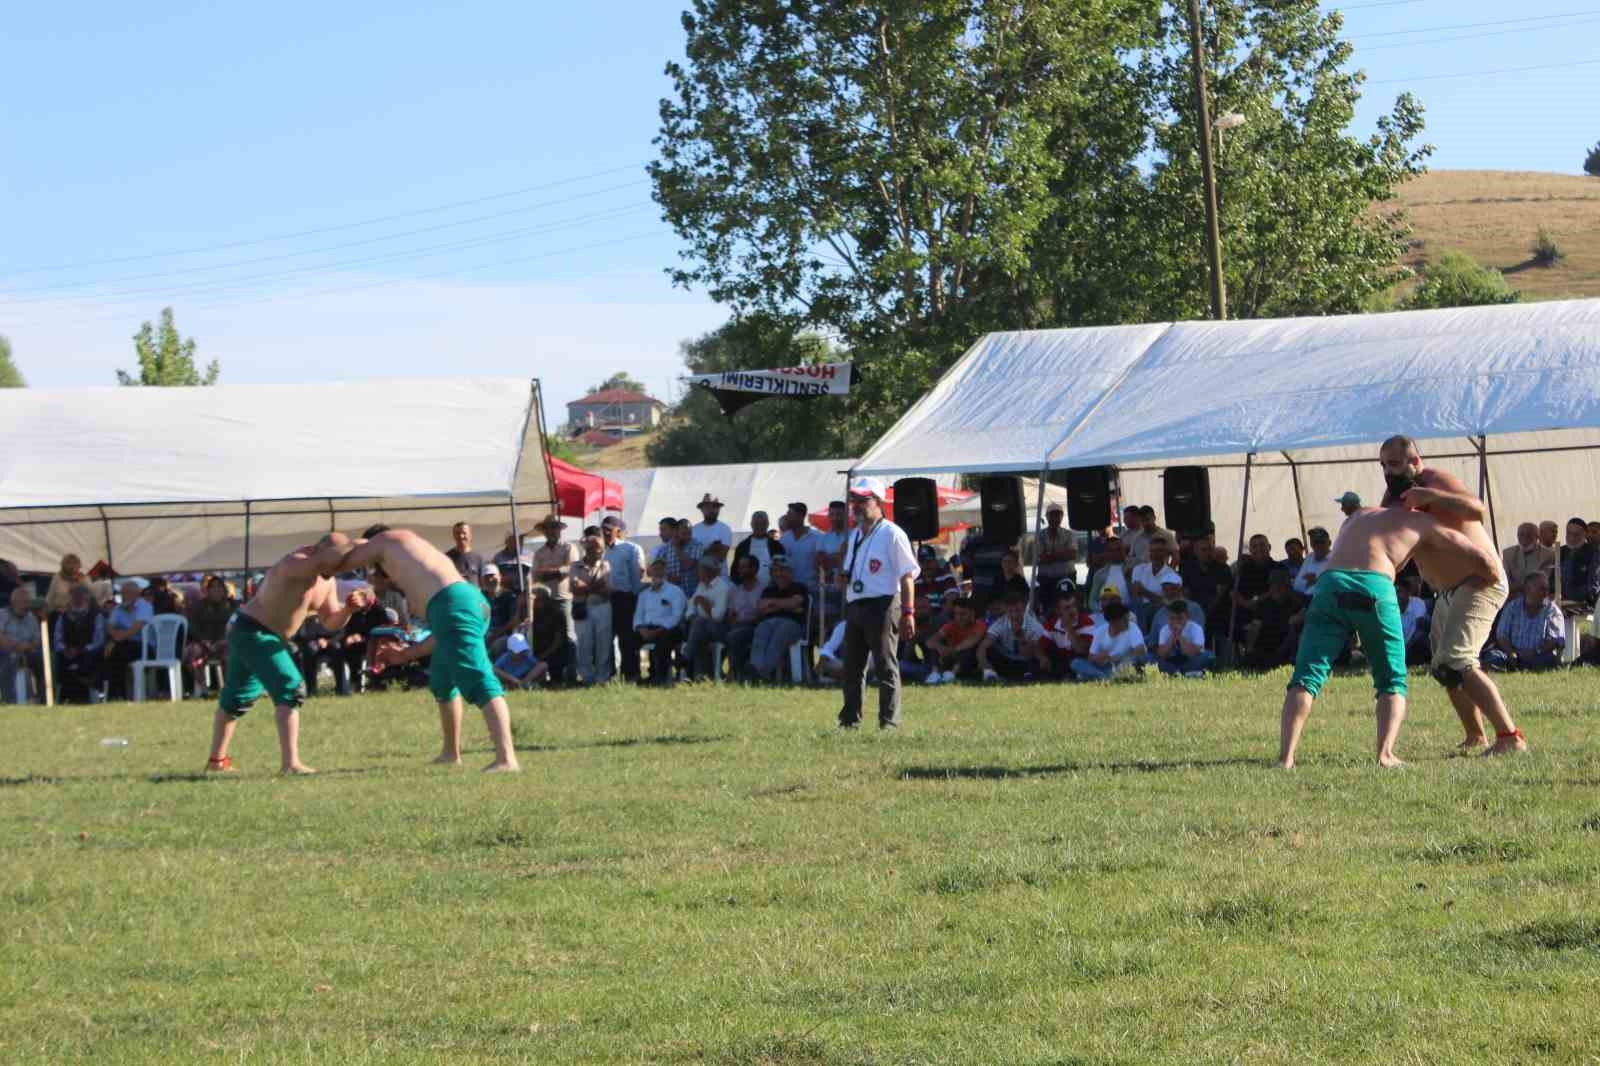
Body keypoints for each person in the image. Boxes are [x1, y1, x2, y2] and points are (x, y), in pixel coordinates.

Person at [1276, 501, 1501, 769]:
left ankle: (1285, 758)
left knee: (1306, 675)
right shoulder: (1421, 521)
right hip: (1374, 585)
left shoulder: (1359, 515)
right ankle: (1385, 755)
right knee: (1391, 677)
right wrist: (1493, 573)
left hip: (1330, 585)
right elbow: (1469, 550)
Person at [1380, 435, 1526, 755]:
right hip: (1446, 591)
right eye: (1383, 466)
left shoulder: (1435, 480)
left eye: (1393, 464)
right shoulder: (1392, 499)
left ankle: (1510, 737)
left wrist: (1431, 495)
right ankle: (1476, 735)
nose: (1388, 472)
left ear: (1415, 463)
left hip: (1480, 582)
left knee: (1457, 660)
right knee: (1443, 668)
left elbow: (1477, 510)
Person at [342, 526, 520, 772]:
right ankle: (450, 754)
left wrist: (317, 558)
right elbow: (441, 635)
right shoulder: (411, 552)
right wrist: (404, 655)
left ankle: (506, 759)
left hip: (454, 605)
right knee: (442, 679)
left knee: (479, 680)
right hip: (463, 604)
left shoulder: (386, 539)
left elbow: (343, 559)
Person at [205, 534, 360, 775]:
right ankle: (291, 764)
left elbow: (330, 622)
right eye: (338, 561)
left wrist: (349, 609)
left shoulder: (328, 580)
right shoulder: (294, 561)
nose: (340, 567)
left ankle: (216, 763)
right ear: (317, 551)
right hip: (251, 630)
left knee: (238, 697)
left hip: (264, 635)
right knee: (289, 685)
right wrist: (343, 552)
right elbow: (310, 565)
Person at [835, 477, 919, 729]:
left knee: (884, 665)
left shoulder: (892, 533)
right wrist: (843, 577)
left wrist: (908, 612)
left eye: (863, 500)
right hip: (856, 604)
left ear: (879, 502)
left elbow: (907, 576)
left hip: (883, 604)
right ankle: (849, 721)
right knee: (852, 667)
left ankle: (889, 722)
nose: (857, 506)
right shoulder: (855, 536)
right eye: (854, 501)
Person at [1484, 572, 1564, 672]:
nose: (1545, 593)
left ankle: (1517, 668)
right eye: (1541, 589)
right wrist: (1511, 652)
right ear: (1527, 590)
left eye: (1547, 589)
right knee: (1493, 656)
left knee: (1547, 660)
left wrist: (1535, 652)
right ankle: (1508, 666)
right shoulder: (1512, 607)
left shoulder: (1552, 611)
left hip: (1538, 655)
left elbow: (1555, 640)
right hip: (1512, 653)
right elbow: (1502, 635)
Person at [530, 515, 577, 673]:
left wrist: (550, 572)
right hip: (545, 601)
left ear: (559, 530)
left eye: (554, 527)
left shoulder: (569, 548)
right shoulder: (539, 552)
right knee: (550, 637)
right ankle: (554, 673)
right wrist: (558, 570)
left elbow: (570, 569)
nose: (551, 531)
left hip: (564, 598)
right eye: (548, 528)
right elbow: (536, 575)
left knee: (569, 636)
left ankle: (571, 673)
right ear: (544, 531)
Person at [749, 558, 809, 682]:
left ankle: (761, 673)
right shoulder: (768, 590)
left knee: (778, 637)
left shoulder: (799, 587)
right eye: (775, 571)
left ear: (790, 572)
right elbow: (761, 607)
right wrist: (786, 605)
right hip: (769, 622)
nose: (778, 574)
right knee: (761, 631)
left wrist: (773, 604)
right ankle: (755, 669)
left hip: (792, 624)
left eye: (782, 570)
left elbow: (795, 602)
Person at [602, 516, 646, 683]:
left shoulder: (631, 548)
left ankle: (631, 675)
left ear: (618, 531)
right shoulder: (601, 551)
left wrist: (633, 598)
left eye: (609, 529)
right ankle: (610, 674)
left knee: (627, 639)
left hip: (626, 598)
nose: (605, 532)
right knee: (607, 638)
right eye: (603, 529)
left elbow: (636, 577)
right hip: (606, 599)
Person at [633, 558, 687, 685]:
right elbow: (638, 616)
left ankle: (661, 677)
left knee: (663, 639)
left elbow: (676, 616)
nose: (657, 572)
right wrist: (641, 630)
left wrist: (659, 630)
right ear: (649, 571)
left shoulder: (675, 591)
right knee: (628, 639)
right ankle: (634, 676)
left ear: (666, 571)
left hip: (669, 629)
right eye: (654, 568)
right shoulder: (643, 594)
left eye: (661, 569)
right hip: (646, 628)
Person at [570, 534, 614, 684]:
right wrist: (596, 585)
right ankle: (587, 677)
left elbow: (607, 591)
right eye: (597, 549)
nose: (600, 552)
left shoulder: (605, 565)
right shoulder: (575, 566)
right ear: (587, 550)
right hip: (583, 608)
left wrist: (586, 586)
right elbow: (575, 588)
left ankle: (602, 677)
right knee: (583, 644)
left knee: (603, 644)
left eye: (601, 549)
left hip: (602, 607)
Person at [53, 584, 107, 703]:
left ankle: (86, 696)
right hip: (67, 652)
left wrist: (82, 650)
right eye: (74, 596)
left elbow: (99, 640)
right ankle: (66, 697)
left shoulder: (96, 615)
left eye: (80, 595)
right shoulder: (63, 616)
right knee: (61, 661)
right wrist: (65, 649)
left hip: (89, 652)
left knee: (87, 661)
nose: (77, 598)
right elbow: (57, 639)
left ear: (87, 597)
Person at [682, 555, 732, 681]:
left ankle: (686, 659)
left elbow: (718, 617)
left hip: (720, 628)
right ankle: (699, 674)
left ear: (709, 571)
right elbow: (691, 606)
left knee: (699, 626)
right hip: (700, 626)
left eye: (699, 570)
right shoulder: (701, 585)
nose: (697, 573)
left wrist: (704, 603)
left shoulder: (722, 588)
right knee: (697, 629)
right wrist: (691, 616)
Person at [977, 594, 1049, 681]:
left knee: (1037, 662)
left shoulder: (1035, 627)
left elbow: (1030, 655)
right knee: (989, 648)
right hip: (1007, 660)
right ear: (1006, 610)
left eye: (1018, 611)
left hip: (1026, 661)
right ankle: (990, 673)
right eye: (1011, 611)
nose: (1014, 615)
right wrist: (985, 664)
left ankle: (1022, 674)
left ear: (1024, 609)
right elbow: (983, 646)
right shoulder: (1000, 623)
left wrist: (1020, 637)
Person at [103, 580, 154, 701]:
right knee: (110, 653)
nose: (125, 596)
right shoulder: (119, 608)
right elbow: (109, 626)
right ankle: (115, 693)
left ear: (137, 594)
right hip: (124, 644)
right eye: (123, 593)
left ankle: (118, 694)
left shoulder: (145, 607)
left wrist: (117, 638)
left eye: (128, 593)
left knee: (118, 652)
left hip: (145, 646)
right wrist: (116, 636)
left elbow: (136, 629)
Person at [185, 575, 235, 696]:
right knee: (191, 652)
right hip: (204, 642)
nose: (216, 590)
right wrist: (203, 640)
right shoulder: (199, 606)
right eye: (213, 587)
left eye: (219, 587)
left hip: (226, 643)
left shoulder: (233, 606)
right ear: (207, 590)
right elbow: (192, 626)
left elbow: (237, 626)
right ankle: (203, 688)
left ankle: (229, 689)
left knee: (230, 654)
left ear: (224, 590)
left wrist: (225, 640)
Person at [1070, 601, 1147, 680]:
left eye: (1126, 618)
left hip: (1122, 663)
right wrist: (1099, 657)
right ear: (1112, 622)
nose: (1127, 621)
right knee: (1075, 663)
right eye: (1123, 619)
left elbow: (1140, 650)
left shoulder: (1132, 627)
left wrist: (1113, 658)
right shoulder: (1100, 631)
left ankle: (1096, 676)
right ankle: (1104, 676)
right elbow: (1091, 657)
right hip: (1104, 666)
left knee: (1132, 661)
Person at [923, 596, 986, 684]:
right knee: (935, 648)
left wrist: (952, 650)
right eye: (956, 614)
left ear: (972, 613)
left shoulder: (979, 625)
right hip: (951, 657)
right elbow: (930, 642)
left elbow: (972, 641)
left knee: (968, 651)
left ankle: (952, 674)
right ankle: (935, 673)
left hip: (969, 662)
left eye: (963, 614)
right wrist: (940, 647)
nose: (959, 617)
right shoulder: (950, 625)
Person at [722, 555, 765, 680]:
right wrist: (732, 619)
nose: (740, 570)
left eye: (744, 567)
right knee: (727, 633)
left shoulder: (763, 590)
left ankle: (737, 673)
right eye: (740, 567)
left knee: (734, 635)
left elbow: (762, 616)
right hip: (735, 626)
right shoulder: (735, 590)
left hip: (755, 627)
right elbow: (730, 614)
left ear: (754, 569)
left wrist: (743, 621)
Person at [0, 587, 43, 703]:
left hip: (27, 651)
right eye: (24, 602)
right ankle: (10, 700)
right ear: (14, 602)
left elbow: (37, 640)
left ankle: (42, 698)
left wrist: (26, 647)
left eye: (28, 602)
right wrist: (15, 646)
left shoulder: (31, 617)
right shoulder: (2, 615)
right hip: (6, 651)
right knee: (12, 659)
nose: (27, 606)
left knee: (41, 659)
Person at [1153, 599, 1212, 678]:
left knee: (1207, 655)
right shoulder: (1165, 629)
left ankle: (1178, 672)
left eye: (1179, 618)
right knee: (1153, 658)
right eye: (1172, 618)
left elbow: (1193, 653)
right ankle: (1184, 673)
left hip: (1191, 660)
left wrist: (1180, 636)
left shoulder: (1196, 628)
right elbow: (1162, 654)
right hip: (1172, 660)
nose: (1175, 622)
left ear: (1187, 617)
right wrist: (1173, 636)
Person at [733, 510, 785, 588]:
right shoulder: (742, 546)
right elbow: (735, 571)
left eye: (763, 523)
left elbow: (783, 569)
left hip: (771, 590)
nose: (760, 527)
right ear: (751, 524)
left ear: (767, 524)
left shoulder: (776, 546)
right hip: (748, 590)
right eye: (756, 524)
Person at [691, 494, 733, 566]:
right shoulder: (693, 529)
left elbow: (721, 556)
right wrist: (711, 549)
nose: (711, 510)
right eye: (707, 506)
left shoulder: (725, 529)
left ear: (719, 509)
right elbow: (690, 556)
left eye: (715, 506)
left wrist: (698, 552)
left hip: (719, 576)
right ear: (701, 509)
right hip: (696, 576)